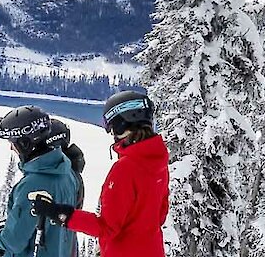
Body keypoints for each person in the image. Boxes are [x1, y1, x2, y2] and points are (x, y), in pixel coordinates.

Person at [29, 90, 170, 257]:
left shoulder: (125, 169)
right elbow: (160, 215)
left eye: (111, 127)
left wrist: (59, 213)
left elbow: (106, 227)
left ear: (122, 124)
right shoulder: (157, 160)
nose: (111, 134)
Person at [0, 106, 80, 257]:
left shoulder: (32, 185)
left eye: (12, 142)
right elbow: (33, 221)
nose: (11, 147)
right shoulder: (67, 173)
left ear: (25, 144)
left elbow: (13, 241)